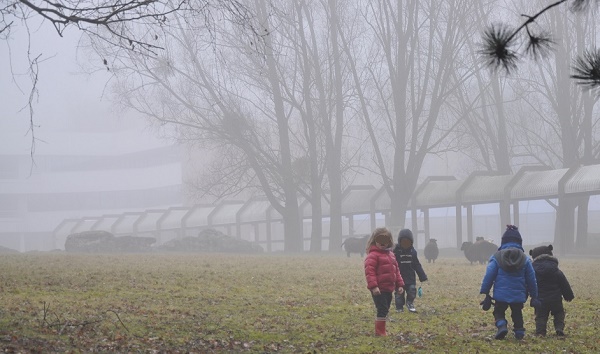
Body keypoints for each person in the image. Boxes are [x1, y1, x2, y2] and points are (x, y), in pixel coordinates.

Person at [480, 225, 539, 340]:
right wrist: (534, 295)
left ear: (503, 241)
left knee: (498, 311)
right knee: (517, 313)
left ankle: (502, 325)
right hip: (518, 295)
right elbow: (531, 278)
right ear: (519, 242)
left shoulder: (497, 257)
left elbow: (489, 275)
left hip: (500, 295)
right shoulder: (525, 259)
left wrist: (485, 291)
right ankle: (519, 332)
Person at [364, 227, 405, 336]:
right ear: (375, 240)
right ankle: (380, 332)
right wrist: (374, 287)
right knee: (382, 309)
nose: (382, 243)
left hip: (388, 288)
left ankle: (381, 329)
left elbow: (396, 270)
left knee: (385, 309)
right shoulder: (372, 256)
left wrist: (399, 284)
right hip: (378, 289)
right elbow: (370, 272)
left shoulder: (391, 255)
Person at [529, 244, 574, 336]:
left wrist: (525, 295)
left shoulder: (533, 271)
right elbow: (564, 283)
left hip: (540, 299)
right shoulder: (556, 270)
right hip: (556, 299)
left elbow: (529, 284)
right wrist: (568, 295)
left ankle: (540, 332)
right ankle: (559, 328)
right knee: (559, 313)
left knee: (541, 317)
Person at [393, 228, 428, 313]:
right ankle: (399, 307)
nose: (405, 243)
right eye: (403, 241)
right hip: (399, 278)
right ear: (399, 241)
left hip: (410, 277)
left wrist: (422, 276)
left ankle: (410, 303)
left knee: (412, 291)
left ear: (411, 242)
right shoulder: (395, 251)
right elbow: (391, 263)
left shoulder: (413, 252)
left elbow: (416, 264)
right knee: (399, 293)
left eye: (407, 242)